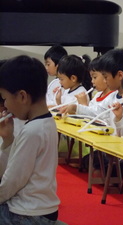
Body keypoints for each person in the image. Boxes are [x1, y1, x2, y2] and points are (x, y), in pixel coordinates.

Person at [0, 55, 60, 224]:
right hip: (40, 209)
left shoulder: (32, 131)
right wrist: (8, 139)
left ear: (22, 97)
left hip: (26, 214)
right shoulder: (47, 123)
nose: (5, 105)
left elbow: (12, 180)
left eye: (5, 98)